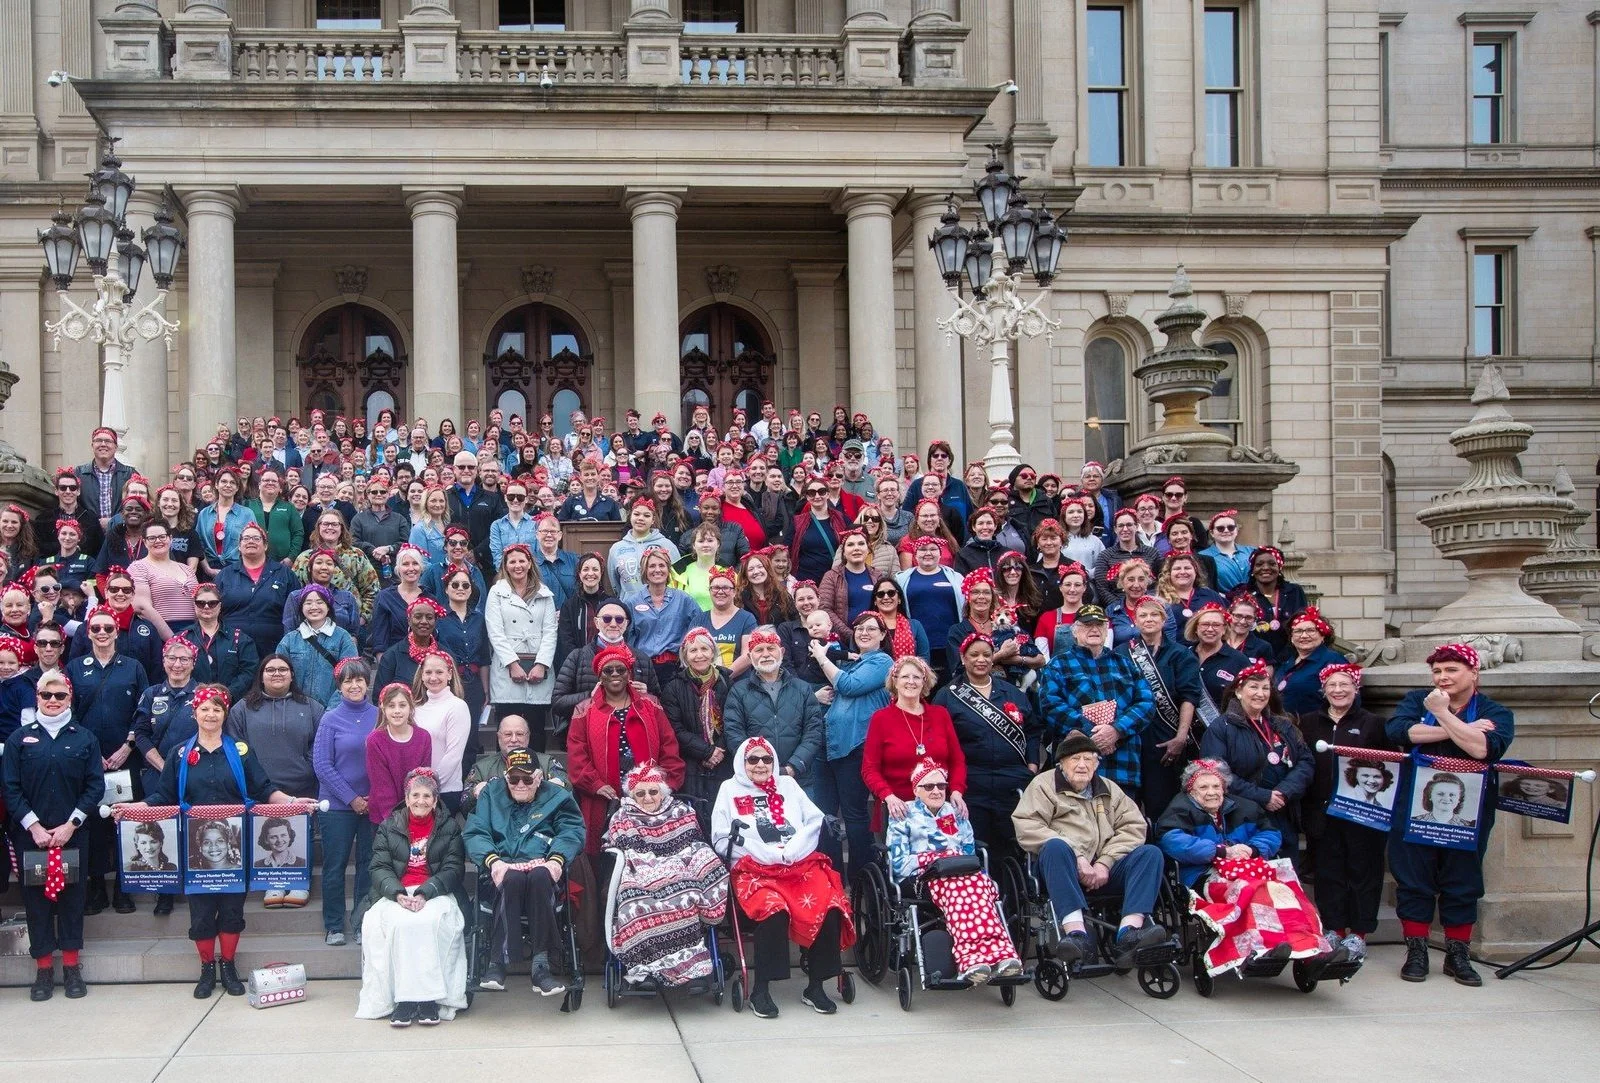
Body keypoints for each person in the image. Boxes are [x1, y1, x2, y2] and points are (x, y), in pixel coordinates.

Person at [116, 684, 305, 999]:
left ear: (224, 713)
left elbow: (264, 788)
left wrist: (292, 801)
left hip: (235, 845)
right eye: (205, 708)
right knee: (201, 913)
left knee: (232, 910)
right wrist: (131, 809)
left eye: (217, 709)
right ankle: (207, 969)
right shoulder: (178, 753)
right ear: (195, 712)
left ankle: (228, 966)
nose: (211, 714)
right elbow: (162, 797)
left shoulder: (240, 750)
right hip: (195, 848)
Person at [1156, 759, 1347, 977]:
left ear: (1224, 787)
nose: (1211, 792)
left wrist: (1252, 848)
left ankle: (1313, 953)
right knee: (1250, 891)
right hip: (1204, 875)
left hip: (1252, 869)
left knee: (1286, 892)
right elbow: (1172, 841)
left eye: (1216, 786)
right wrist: (1221, 852)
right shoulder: (1179, 809)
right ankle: (1266, 948)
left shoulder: (1244, 806)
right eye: (1203, 787)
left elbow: (1271, 833)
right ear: (1190, 789)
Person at [711, 736, 854, 1019]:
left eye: (767, 759)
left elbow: (814, 820)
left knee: (828, 902)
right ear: (742, 762)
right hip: (754, 867)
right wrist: (760, 852)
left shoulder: (788, 785)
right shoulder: (729, 789)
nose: (761, 764)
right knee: (772, 908)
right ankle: (761, 990)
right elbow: (720, 836)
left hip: (797, 862)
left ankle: (816, 985)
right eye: (753, 759)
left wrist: (794, 850)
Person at [1011, 729, 1168, 968]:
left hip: (1104, 869)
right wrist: (1078, 856)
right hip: (1062, 870)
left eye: (1088, 759)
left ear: (1096, 764)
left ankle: (1129, 932)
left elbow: (1134, 827)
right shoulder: (1043, 785)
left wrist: (1105, 861)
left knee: (1150, 853)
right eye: (1075, 759)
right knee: (1055, 846)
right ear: (1061, 763)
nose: (1082, 765)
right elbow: (1027, 825)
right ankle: (1077, 934)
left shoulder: (1109, 788)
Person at [3, 672, 103, 1001]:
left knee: (73, 901)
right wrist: (33, 825)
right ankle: (44, 969)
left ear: (69, 697)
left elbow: (94, 787)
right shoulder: (20, 739)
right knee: (37, 904)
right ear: (37, 696)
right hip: (32, 837)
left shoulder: (84, 738)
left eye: (59, 695)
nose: (53, 700)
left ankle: (72, 968)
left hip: (71, 835)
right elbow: (10, 787)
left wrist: (70, 825)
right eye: (46, 694)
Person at [885, 759, 1024, 984]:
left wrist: (959, 864)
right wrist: (938, 858)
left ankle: (1003, 956)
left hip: (961, 877)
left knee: (980, 885)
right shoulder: (904, 813)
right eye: (928, 786)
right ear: (915, 789)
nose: (936, 791)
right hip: (922, 878)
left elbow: (969, 853)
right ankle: (970, 960)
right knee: (961, 890)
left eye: (941, 785)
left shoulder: (956, 811)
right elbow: (899, 862)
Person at [463, 747, 587, 997]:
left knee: (540, 876)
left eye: (527, 779)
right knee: (512, 879)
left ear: (539, 778)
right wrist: (493, 861)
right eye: (514, 778)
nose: (520, 784)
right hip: (500, 869)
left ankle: (540, 967)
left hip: (544, 869)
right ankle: (497, 962)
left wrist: (556, 860)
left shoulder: (558, 797)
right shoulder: (491, 795)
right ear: (505, 776)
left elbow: (572, 831)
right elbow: (476, 832)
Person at [357, 766, 469, 1026]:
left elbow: (454, 868)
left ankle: (428, 1000)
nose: (421, 801)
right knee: (398, 924)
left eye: (427, 796)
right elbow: (379, 866)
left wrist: (425, 892)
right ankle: (404, 1000)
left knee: (429, 923)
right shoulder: (389, 826)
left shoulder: (449, 827)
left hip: (434, 891)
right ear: (406, 799)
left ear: (435, 800)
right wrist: (397, 893)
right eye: (415, 795)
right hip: (395, 892)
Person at [602, 761, 730, 986]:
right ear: (633, 795)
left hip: (681, 866)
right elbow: (617, 846)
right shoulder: (622, 817)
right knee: (633, 902)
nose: (648, 797)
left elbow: (694, 842)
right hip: (639, 869)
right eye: (640, 793)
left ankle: (689, 967)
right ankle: (647, 967)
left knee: (685, 893)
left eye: (653, 791)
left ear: (662, 792)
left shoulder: (681, 810)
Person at [566, 643, 684, 858]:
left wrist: (662, 783)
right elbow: (577, 754)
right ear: (599, 676)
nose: (614, 674)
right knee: (607, 855)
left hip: (649, 796)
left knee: (652, 853)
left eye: (620, 670)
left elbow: (669, 745)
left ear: (629, 673)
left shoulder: (651, 705)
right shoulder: (584, 710)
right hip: (604, 796)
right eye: (607, 670)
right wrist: (595, 784)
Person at [70, 603, 149, 915]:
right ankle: (96, 888)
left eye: (108, 628)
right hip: (89, 761)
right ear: (88, 632)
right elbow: (69, 713)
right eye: (96, 628)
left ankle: (122, 890)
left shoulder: (133, 667)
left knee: (123, 822)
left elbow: (144, 713)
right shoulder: (75, 667)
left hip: (124, 759)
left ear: (118, 631)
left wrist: (128, 747)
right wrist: (93, 754)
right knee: (91, 823)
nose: (102, 633)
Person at [934, 633, 1039, 857]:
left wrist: (1032, 763)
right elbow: (937, 740)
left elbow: (1032, 729)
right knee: (977, 845)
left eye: (986, 655)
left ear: (993, 659)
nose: (980, 660)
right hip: (972, 781)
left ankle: (1013, 891)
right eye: (974, 655)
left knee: (1013, 846)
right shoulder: (947, 695)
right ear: (963, 658)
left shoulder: (1011, 692)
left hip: (1012, 781)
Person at [1199, 660, 1313, 866]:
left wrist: (1284, 792)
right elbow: (1216, 773)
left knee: (1287, 878)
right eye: (1253, 687)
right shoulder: (1221, 728)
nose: (1260, 693)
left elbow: (1305, 761)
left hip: (1284, 812)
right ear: (1239, 692)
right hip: (1244, 817)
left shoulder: (1282, 724)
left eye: (1265, 688)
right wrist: (1263, 796)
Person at [1037, 605, 1155, 798]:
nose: (1094, 629)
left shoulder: (1125, 663)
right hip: (1074, 764)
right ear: (1074, 631)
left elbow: (1147, 702)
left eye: (1099, 625)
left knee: (1121, 825)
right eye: (1087, 625)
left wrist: (1117, 730)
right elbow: (1050, 706)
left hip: (1122, 764)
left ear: (1106, 629)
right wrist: (1093, 732)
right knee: (1075, 825)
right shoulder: (1058, 664)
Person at [1118, 594, 1206, 816]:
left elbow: (1189, 696)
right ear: (1135, 621)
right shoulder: (1121, 652)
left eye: (1154, 614)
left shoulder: (1180, 655)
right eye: (1143, 615)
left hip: (1166, 739)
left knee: (1161, 805)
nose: (1148, 619)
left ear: (1164, 620)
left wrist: (1181, 737)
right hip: (1130, 739)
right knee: (1126, 809)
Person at [314, 659, 378, 946]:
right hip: (338, 807)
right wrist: (352, 799)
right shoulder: (330, 718)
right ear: (339, 687)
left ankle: (363, 921)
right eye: (347, 681)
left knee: (368, 864)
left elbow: (387, 760)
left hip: (374, 804)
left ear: (367, 683)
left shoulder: (380, 716)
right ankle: (334, 925)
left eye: (359, 680)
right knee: (335, 866)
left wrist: (373, 798)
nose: (354, 685)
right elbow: (322, 765)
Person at [862, 655, 968, 823]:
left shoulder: (940, 715)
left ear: (924, 682)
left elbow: (957, 760)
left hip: (941, 808)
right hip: (899, 811)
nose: (911, 681)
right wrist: (888, 796)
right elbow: (869, 769)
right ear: (895, 681)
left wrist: (956, 790)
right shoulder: (880, 719)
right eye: (905, 676)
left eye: (917, 677)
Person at [484, 542, 559, 746]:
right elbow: (495, 632)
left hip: (538, 668)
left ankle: (536, 774)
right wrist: (513, 664)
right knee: (508, 730)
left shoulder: (545, 594)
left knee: (535, 731)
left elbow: (550, 631)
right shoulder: (496, 593)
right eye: (512, 561)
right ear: (505, 566)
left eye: (522, 561)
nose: (517, 565)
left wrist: (542, 665)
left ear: (529, 564)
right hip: (507, 670)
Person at [660, 627, 736, 808]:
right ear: (685, 656)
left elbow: (734, 721)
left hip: (724, 759)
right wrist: (707, 752)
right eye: (693, 650)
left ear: (713, 653)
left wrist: (719, 749)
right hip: (691, 761)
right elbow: (675, 728)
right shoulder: (674, 687)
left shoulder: (727, 682)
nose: (699, 655)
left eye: (704, 649)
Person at [214, 523, 297, 655]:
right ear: (239, 546)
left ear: (265, 545)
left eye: (256, 538)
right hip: (231, 647)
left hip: (274, 647)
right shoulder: (225, 575)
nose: (251, 541)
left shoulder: (284, 574)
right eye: (246, 538)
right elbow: (214, 611)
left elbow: (295, 613)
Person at [624, 547, 703, 686]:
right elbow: (627, 639)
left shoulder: (684, 599)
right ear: (645, 570)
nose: (657, 570)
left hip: (676, 668)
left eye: (662, 565)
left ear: (668, 569)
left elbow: (700, 628)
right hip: (644, 669)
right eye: (652, 566)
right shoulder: (632, 602)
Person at [173, 582, 260, 702]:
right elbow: (172, 670)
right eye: (201, 603)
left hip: (231, 703)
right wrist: (196, 695)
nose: (206, 607)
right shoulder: (181, 638)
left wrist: (227, 694)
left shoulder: (240, 639)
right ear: (194, 605)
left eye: (212, 603)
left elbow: (249, 672)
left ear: (220, 606)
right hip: (189, 703)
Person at [277, 585, 359, 708]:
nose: (314, 607)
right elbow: (279, 676)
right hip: (295, 711)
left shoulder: (343, 637)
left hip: (333, 712)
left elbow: (351, 677)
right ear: (301, 608)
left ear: (328, 607)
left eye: (320, 602)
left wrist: (332, 710)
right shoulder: (289, 640)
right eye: (308, 603)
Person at [366, 683, 434, 825]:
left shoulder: (423, 737)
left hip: (416, 814)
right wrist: (396, 822)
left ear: (411, 708)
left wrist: (416, 814)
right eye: (391, 706)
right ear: (383, 709)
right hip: (384, 819)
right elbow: (382, 787)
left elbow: (422, 780)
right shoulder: (375, 740)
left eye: (402, 705)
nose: (397, 711)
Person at [411, 652, 472, 812]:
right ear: (422, 675)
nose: (433, 677)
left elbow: (453, 755)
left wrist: (431, 787)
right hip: (417, 793)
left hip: (444, 791)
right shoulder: (415, 708)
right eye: (428, 672)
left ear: (450, 674)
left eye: (439, 672)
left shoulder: (457, 706)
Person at [129, 521, 198, 638]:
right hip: (161, 633)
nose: (158, 541)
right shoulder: (138, 567)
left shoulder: (187, 569)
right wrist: (173, 639)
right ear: (144, 542)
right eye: (152, 538)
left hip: (194, 633)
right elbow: (142, 607)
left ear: (170, 538)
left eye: (162, 536)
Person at [1275, 607, 1348, 716]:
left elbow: (1348, 698)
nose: (1304, 635)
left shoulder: (1333, 661)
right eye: (1298, 631)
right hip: (1285, 728)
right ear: (1291, 638)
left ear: (1322, 635)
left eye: (1310, 630)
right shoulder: (1287, 663)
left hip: (1318, 728)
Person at [75, 426, 134, 530]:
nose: (103, 444)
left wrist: (115, 521)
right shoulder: (79, 474)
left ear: (115, 446)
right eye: (98, 440)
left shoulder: (130, 474)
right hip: (89, 534)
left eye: (108, 441)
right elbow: (72, 504)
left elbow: (138, 504)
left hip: (121, 532)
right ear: (92, 445)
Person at [1198, 509, 1254, 594]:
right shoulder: (1202, 556)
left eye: (1231, 527)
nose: (1226, 530)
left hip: (1255, 602)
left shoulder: (1251, 551)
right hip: (1223, 603)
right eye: (1220, 528)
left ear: (1236, 530)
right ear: (1212, 533)